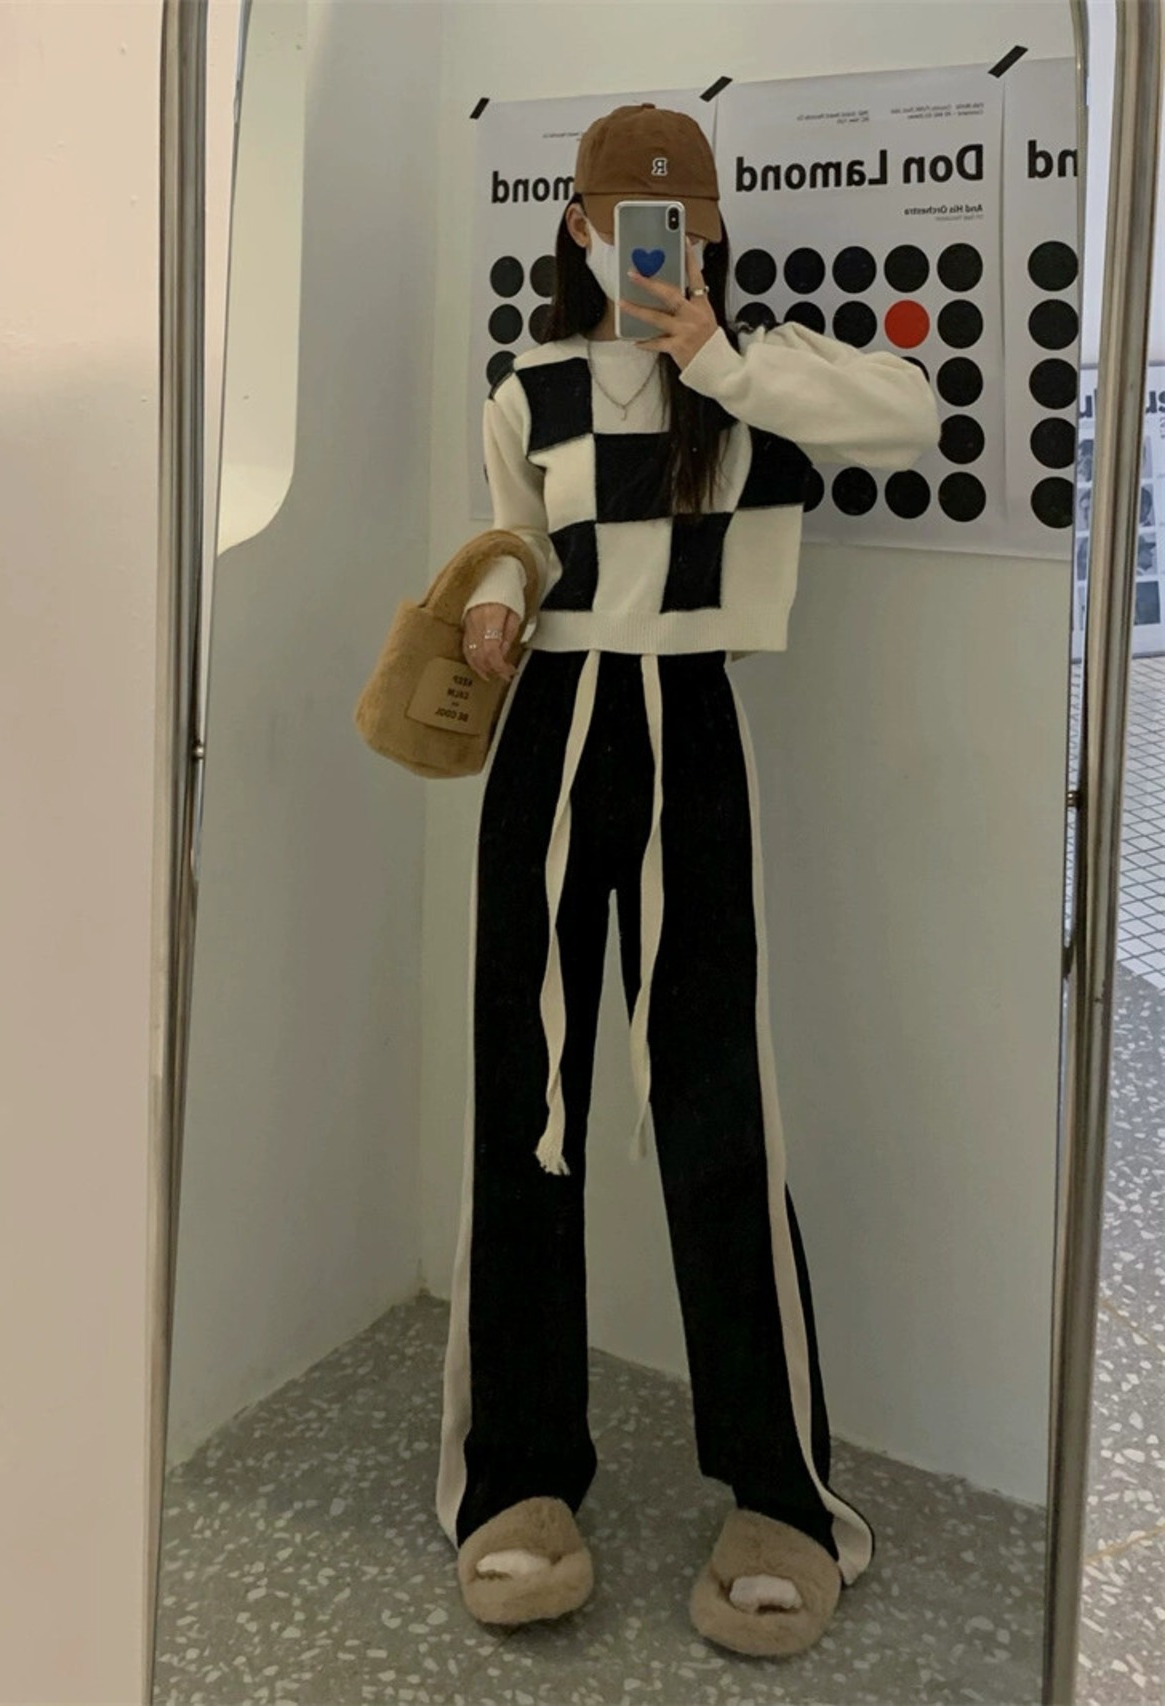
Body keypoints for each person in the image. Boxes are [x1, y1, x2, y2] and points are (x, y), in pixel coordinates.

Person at [435, 102, 941, 1659]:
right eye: (624, 220)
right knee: (527, 1099)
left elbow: (912, 414)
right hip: (551, 726)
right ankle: (515, 1479)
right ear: (579, 226)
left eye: (680, 223)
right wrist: (497, 590)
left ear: (708, 232)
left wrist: (715, 353)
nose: (651, 244)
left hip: (690, 723)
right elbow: (516, 531)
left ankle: (780, 1493)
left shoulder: (755, 377)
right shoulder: (529, 382)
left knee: (722, 1100)